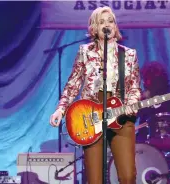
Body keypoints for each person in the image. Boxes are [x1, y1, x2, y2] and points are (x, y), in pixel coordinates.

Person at [49, 6, 141, 184]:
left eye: (111, 21)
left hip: (120, 116)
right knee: (95, 179)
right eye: (102, 22)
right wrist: (61, 109)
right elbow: (73, 83)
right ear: (93, 28)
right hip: (91, 116)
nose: (107, 25)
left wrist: (130, 105)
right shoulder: (85, 52)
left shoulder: (129, 55)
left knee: (128, 176)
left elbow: (134, 87)